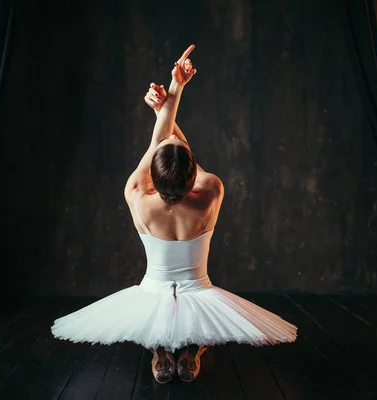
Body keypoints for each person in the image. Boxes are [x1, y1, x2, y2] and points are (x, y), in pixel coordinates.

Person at [51, 44, 297, 384]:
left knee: (159, 320)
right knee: (203, 329)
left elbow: (159, 146)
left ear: (152, 174)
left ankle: (160, 352)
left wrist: (167, 104)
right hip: (200, 291)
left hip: (153, 290)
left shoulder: (138, 196)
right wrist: (172, 96)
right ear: (193, 175)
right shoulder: (210, 194)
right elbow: (183, 156)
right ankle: (189, 353)